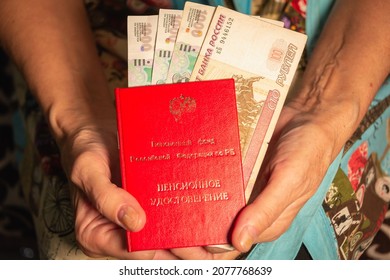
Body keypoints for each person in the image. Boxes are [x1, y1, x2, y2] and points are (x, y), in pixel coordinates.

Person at [0, 0, 388, 260]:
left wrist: (322, 106)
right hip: (91, 36)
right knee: (94, 236)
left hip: (348, 48)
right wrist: (78, 120)